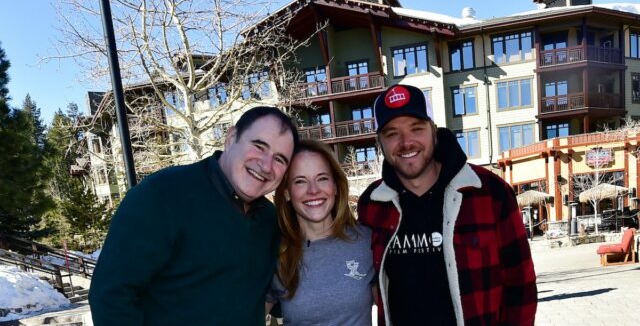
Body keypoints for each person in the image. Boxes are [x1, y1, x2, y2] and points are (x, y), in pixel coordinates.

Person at [89, 106, 298, 326]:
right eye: (258, 146)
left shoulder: (271, 222)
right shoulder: (162, 194)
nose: (265, 165)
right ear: (231, 138)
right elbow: (111, 296)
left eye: (280, 159)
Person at [357, 84, 538, 325]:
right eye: (391, 133)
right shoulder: (372, 204)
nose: (406, 142)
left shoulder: (488, 192)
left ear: (434, 131)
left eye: (416, 128)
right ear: (379, 142)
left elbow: (521, 284)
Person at [266, 139, 375, 325]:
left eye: (322, 178)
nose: (313, 190)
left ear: (336, 187)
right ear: (286, 193)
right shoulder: (278, 254)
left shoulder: (366, 241)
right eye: (300, 181)